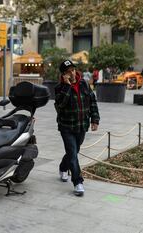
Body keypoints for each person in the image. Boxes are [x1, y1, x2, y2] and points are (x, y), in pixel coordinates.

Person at [54, 60, 100, 196]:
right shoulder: (59, 88)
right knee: (73, 153)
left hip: (81, 126)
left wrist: (95, 119)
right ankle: (78, 182)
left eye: (73, 70)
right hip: (66, 126)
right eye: (68, 71)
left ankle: (63, 167)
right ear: (64, 75)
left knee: (74, 151)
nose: (72, 73)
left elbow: (92, 101)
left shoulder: (84, 84)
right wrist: (67, 87)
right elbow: (61, 105)